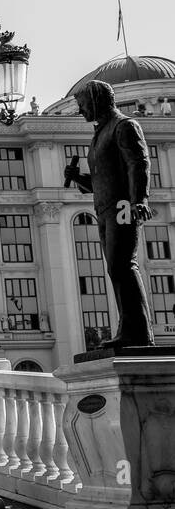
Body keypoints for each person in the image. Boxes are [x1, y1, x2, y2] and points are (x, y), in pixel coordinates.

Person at [64, 79, 155, 347]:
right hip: (104, 210)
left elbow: (138, 163)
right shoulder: (99, 134)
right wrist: (78, 178)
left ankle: (136, 333)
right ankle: (129, 330)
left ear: (96, 100)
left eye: (82, 106)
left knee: (123, 265)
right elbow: (101, 181)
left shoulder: (124, 126)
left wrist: (140, 199)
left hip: (122, 207)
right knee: (116, 269)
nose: (81, 111)